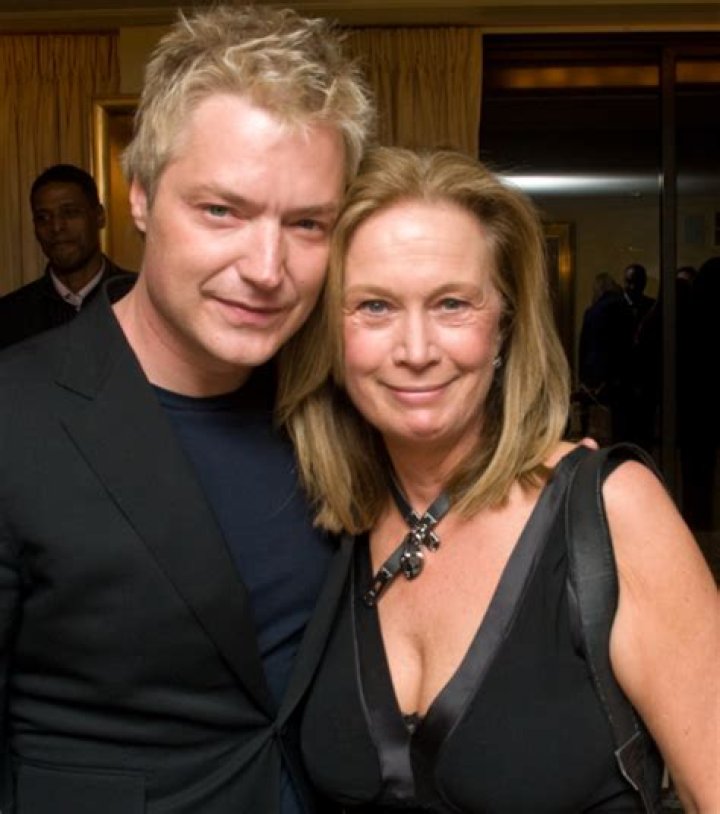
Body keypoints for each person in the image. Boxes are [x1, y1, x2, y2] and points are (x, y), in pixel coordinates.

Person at [0, 5, 372, 813]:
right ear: (139, 198)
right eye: (222, 211)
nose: (267, 268)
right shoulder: (14, 413)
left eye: (307, 223)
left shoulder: (336, 407)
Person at [279, 148, 719, 813]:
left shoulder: (608, 511)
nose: (416, 350)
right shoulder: (321, 518)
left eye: (452, 303)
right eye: (374, 306)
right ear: (328, 334)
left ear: (505, 326)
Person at [0, 163, 132, 349]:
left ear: (99, 217)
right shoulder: (10, 317)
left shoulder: (139, 300)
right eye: (43, 217)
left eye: (70, 213)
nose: (56, 227)